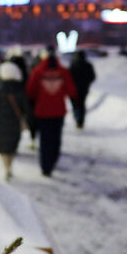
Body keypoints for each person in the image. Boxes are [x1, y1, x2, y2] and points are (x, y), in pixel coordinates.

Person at [25, 47, 77, 177]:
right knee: (56, 138)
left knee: (44, 139)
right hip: (58, 111)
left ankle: (45, 166)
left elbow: (30, 91)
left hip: (42, 111)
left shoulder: (37, 72)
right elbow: (72, 91)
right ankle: (53, 160)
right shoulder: (63, 72)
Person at [0, 61, 29, 179]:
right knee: (12, 146)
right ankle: (9, 166)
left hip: (0, 123)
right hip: (15, 123)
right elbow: (26, 108)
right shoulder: (20, 89)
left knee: (2, 148)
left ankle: (6, 166)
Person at [68, 50, 96, 130]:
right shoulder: (88, 65)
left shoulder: (73, 65)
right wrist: (86, 83)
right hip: (84, 89)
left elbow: (68, 77)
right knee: (82, 104)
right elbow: (92, 77)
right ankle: (80, 121)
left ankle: (77, 118)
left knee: (75, 105)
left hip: (74, 90)